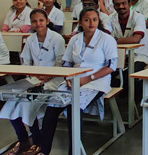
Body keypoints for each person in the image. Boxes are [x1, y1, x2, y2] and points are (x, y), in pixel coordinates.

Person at [39, 8, 118, 154]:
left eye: (94, 19)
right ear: (81, 22)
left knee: (73, 108)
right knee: (52, 108)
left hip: (96, 81)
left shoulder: (106, 39)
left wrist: (87, 78)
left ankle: (73, 151)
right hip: (73, 79)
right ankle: (43, 150)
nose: (91, 23)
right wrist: (68, 77)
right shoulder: (76, 39)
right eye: (87, 20)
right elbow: (67, 63)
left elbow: (111, 66)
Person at [0, 9, 65, 155]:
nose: (38, 23)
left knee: (29, 104)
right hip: (35, 78)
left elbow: (60, 62)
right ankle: (22, 139)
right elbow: (26, 62)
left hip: (54, 79)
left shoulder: (56, 38)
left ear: (47, 21)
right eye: (34, 21)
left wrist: (46, 76)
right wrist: (34, 74)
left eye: (41, 20)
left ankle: (37, 142)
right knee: (11, 103)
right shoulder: (30, 39)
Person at [110, 0, 148, 78]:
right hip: (120, 55)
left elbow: (136, 39)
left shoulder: (138, 17)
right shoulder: (111, 18)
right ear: (114, 6)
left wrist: (114, 41)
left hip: (138, 55)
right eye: (117, 4)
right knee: (108, 74)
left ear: (129, 4)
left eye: (123, 3)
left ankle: (132, 91)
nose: (121, 7)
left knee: (128, 75)